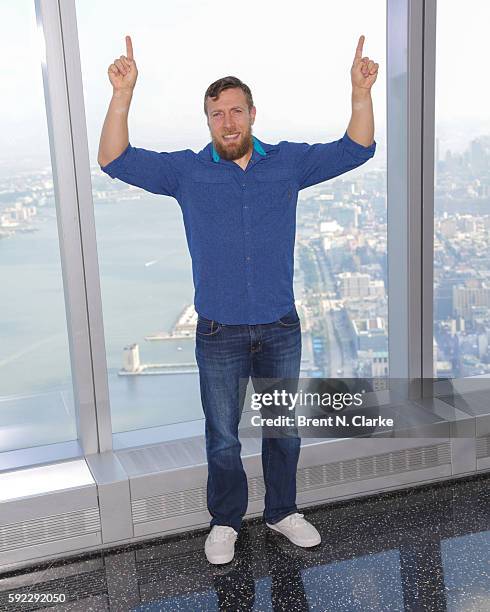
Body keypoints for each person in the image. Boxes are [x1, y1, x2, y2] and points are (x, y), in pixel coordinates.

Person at [98, 35, 378, 565]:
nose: (227, 122)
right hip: (218, 332)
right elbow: (114, 158)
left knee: (283, 431)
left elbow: (355, 149)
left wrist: (359, 91)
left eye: (235, 111)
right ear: (208, 123)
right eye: (216, 114)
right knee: (223, 438)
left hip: (279, 326)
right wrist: (122, 93)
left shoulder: (289, 162)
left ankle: (282, 512)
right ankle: (225, 521)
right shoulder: (187, 170)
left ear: (252, 114)